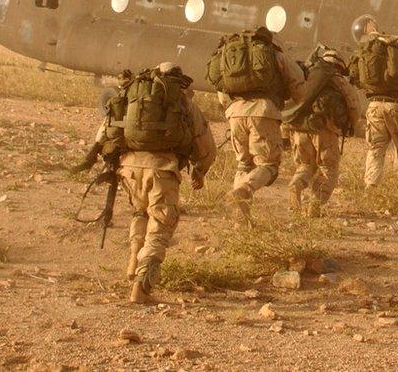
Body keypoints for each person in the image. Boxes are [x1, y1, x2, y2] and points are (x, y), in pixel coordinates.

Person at [90, 63, 215, 303]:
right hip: (162, 170)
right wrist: (200, 171)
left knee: (140, 212)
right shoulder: (183, 103)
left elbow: (103, 133)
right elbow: (205, 146)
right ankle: (141, 288)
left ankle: (133, 262)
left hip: (129, 170)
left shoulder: (131, 95)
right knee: (160, 226)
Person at [208, 27, 304, 227]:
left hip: (234, 113)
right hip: (263, 111)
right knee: (268, 165)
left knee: (244, 164)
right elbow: (298, 84)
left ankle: (240, 221)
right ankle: (245, 190)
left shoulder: (230, 55)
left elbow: (221, 93)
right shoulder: (275, 55)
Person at [283, 47, 361, 217]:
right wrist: (351, 125)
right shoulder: (337, 79)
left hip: (299, 129)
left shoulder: (306, 75)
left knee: (305, 165)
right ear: (339, 65)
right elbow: (354, 105)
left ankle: (295, 185)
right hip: (325, 129)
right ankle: (315, 204)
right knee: (329, 168)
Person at [350, 31, 398, 190]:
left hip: (374, 106)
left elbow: (357, 79)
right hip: (397, 108)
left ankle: (370, 185)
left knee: (375, 148)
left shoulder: (369, 56)